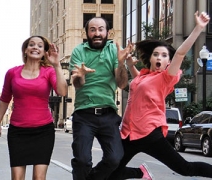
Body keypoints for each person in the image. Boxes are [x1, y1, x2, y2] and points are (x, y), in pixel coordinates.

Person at [108, 11, 212, 180]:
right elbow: (138, 84)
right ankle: (141, 173)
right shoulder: (143, 76)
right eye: (156, 54)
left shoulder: (165, 78)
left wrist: (198, 28)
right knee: (111, 173)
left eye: (164, 55)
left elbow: (179, 53)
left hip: (150, 134)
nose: (159, 57)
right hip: (129, 134)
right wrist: (128, 63)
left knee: (184, 168)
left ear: (168, 63)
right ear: (150, 58)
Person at [0, 35, 67, 180]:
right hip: (18, 132)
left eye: (40, 46)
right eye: (31, 44)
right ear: (25, 50)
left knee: (39, 178)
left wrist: (57, 65)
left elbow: (62, 92)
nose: (35, 47)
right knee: (17, 178)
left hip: (43, 131)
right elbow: (4, 99)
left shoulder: (49, 71)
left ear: (45, 52)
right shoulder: (12, 73)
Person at [69, 16, 133, 180]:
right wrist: (81, 76)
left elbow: (122, 83)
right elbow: (77, 84)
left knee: (114, 159)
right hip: (84, 114)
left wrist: (120, 63)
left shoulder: (113, 50)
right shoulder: (79, 51)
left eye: (100, 29)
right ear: (87, 33)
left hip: (108, 114)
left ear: (107, 32)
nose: (97, 33)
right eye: (92, 30)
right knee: (82, 160)